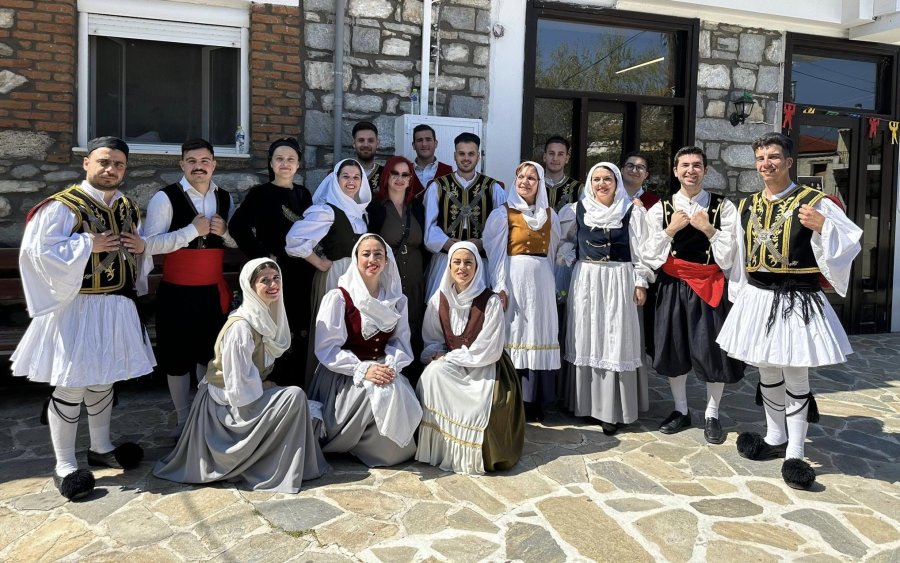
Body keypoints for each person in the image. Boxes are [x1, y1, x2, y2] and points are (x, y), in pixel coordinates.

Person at [717, 132, 862, 490]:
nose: (766, 164)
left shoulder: (815, 202)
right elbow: (737, 257)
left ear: (789, 162)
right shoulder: (747, 205)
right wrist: (739, 296)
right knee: (767, 371)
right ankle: (774, 435)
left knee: (796, 374)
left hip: (797, 299)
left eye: (773, 157)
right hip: (759, 298)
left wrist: (824, 226)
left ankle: (796, 452)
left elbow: (850, 243)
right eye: (761, 158)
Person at [12, 137, 153, 500]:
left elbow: (137, 249)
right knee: (73, 382)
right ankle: (64, 465)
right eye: (104, 162)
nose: (111, 169)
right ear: (87, 163)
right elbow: (36, 252)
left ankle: (101, 448)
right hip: (76, 307)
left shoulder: (127, 206)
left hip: (115, 305)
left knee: (104, 380)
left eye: (119, 164)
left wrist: (142, 248)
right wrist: (86, 245)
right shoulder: (63, 206)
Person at [153, 259, 329, 492]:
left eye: (276, 278)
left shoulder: (267, 317)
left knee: (302, 404)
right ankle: (267, 468)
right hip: (224, 408)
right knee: (294, 397)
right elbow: (237, 386)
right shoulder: (241, 327)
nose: (273, 284)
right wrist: (265, 386)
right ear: (250, 286)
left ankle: (278, 463)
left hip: (244, 395)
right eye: (264, 280)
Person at [642, 146, 745, 444]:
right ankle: (681, 409)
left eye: (697, 165)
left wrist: (709, 230)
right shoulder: (660, 209)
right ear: (675, 171)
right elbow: (649, 254)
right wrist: (670, 230)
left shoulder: (722, 207)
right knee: (674, 350)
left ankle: (712, 413)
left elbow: (731, 255)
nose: (690, 170)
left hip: (710, 286)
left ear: (705, 171)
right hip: (672, 286)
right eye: (684, 165)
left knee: (712, 352)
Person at [143, 138, 235, 437]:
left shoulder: (225, 197)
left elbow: (234, 241)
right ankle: (183, 419)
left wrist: (227, 233)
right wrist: (190, 231)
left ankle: (203, 412)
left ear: (214, 163)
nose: (199, 166)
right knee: (177, 357)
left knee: (210, 355)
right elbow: (150, 244)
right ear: (182, 165)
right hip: (178, 291)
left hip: (212, 291)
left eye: (205, 160)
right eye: (192, 161)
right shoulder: (165, 198)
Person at [310, 235, 422, 467]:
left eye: (378, 254)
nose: (372, 259)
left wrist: (390, 364)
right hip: (343, 374)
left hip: (381, 365)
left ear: (387, 260)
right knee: (375, 392)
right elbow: (327, 348)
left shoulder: (396, 300)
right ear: (356, 258)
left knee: (392, 390)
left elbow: (400, 342)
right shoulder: (339, 298)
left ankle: (371, 444)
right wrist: (363, 369)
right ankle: (350, 441)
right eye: (366, 254)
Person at [557, 163, 652, 435]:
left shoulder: (632, 211)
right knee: (585, 335)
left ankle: (611, 410)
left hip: (619, 280)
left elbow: (641, 251)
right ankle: (582, 404)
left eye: (607, 179)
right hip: (586, 279)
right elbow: (564, 241)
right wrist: (568, 254)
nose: (601, 184)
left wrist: (640, 281)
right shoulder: (577, 210)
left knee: (615, 338)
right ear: (589, 182)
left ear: (616, 181)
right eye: (596, 179)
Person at [416, 241, 525, 474]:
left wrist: (450, 358)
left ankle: (475, 454)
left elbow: (488, 349)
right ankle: (441, 450)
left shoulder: (491, 301)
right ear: (449, 266)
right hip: (454, 363)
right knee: (432, 374)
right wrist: (437, 354)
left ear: (477, 267)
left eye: (468, 262)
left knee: (482, 408)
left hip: (486, 366)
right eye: (456, 262)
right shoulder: (439, 300)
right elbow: (432, 339)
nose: (462, 268)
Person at [229, 138, 314, 385]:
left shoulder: (302, 194)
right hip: (275, 275)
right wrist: (263, 258)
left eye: (290, 159)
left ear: (298, 164)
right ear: (271, 163)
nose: (285, 164)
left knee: (300, 329)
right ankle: (273, 384)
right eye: (279, 159)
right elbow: (238, 227)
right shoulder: (260, 194)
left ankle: (298, 387)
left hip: (302, 272)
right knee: (275, 329)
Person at [484, 161, 561, 421]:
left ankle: (539, 399)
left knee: (540, 331)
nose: (525, 182)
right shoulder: (503, 214)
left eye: (531, 178)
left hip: (542, 281)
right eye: (521, 177)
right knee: (516, 332)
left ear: (539, 184)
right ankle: (516, 397)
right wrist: (500, 286)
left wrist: (549, 282)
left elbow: (552, 252)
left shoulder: (550, 215)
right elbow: (495, 255)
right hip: (514, 280)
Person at [286, 159, 371, 386]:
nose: (351, 181)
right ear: (335, 179)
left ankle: (348, 386)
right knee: (331, 331)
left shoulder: (360, 212)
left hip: (358, 278)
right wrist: (318, 262)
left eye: (356, 177)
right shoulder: (327, 210)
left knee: (352, 330)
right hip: (337, 276)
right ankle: (323, 386)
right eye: (345, 176)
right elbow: (293, 240)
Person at [366, 156, 429, 383]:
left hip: (413, 277)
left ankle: (412, 381)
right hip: (386, 278)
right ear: (387, 176)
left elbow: (426, 244)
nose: (400, 179)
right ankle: (388, 377)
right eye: (395, 174)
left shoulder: (417, 208)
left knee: (412, 327)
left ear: (411, 179)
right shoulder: (376, 208)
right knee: (387, 326)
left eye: (405, 175)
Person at [423, 132, 505, 302]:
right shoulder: (438, 187)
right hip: (445, 262)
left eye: (471, 154)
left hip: (481, 263)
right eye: (462, 153)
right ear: (455, 155)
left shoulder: (494, 188)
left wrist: (483, 242)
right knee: (442, 311)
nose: (466, 158)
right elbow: (428, 226)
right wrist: (446, 243)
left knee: (479, 312)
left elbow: (501, 230)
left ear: (478, 157)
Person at [621, 150, 660, 413]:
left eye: (640, 167)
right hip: (609, 271)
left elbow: (653, 240)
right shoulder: (609, 193)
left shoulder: (653, 203)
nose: (634, 170)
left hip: (637, 271)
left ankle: (631, 389)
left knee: (633, 333)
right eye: (630, 165)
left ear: (646, 175)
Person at [315, 122, 382, 196]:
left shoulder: (386, 174)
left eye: (371, 140)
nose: (366, 145)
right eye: (361, 140)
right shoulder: (337, 174)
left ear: (377, 143)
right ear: (354, 143)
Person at [410, 123, 452, 196]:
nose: (424, 144)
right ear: (413, 145)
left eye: (428, 139)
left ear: (435, 143)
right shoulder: (405, 171)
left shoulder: (448, 171)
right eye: (420, 140)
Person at [542, 136, 581, 212]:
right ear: (544, 157)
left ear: (567, 159)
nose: (555, 158)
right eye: (551, 153)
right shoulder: (533, 185)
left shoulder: (579, 189)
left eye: (560, 154)